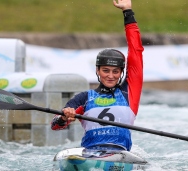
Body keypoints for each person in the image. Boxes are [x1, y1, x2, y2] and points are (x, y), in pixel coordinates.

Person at [51, 0, 144, 152]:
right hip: (89, 155)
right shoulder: (83, 98)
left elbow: (136, 52)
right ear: (97, 71)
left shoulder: (129, 93)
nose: (111, 76)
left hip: (120, 156)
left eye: (116, 71)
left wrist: (128, 12)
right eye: (105, 70)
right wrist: (64, 117)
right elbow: (55, 125)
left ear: (121, 72)